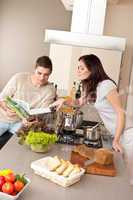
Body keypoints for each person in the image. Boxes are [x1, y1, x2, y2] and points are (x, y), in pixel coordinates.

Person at [51, 54, 133, 184]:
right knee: (125, 179)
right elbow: (78, 102)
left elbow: (120, 113)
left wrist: (116, 140)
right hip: (118, 133)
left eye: (81, 68)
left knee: (130, 177)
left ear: (92, 68)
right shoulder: (89, 86)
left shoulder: (106, 85)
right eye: (78, 67)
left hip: (128, 134)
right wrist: (63, 100)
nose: (78, 71)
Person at [0, 55, 56, 136]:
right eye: (39, 73)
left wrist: (33, 121)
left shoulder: (50, 90)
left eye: (46, 75)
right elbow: (2, 97)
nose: (41, 78)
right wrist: (6, 109)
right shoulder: (19, 78)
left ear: (50, 73)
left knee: (17, 145)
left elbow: (42, 113)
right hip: (3, 118)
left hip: (22, 123)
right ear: (35, 69)